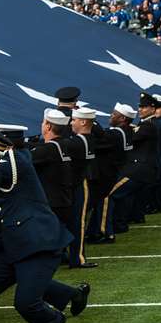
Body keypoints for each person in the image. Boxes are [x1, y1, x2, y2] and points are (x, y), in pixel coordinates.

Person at [0, 122, 89, 323]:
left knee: (26, 301)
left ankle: (51, 321)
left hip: (33, 238)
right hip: (14, 238)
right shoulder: (16, 157)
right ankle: (71, 295)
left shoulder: (13, 161)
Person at [110, 94, 159, 233]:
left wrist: (122, 130)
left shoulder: (149, 126)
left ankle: (107, 227)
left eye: (144, 107)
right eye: (140, 106)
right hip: (140, 168)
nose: (140, 109)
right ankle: (120, 224)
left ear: (153, 109)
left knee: (110, 193)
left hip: (138, 169)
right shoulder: (144, 125)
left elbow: (132, 138)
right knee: (125, 197)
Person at [88, 103, 135, 244]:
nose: (111, 115)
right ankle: (94, 230)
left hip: (115, 172)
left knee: (105, 197)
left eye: (114, 114)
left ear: (122, 119)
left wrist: (90, 120)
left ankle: (105, 232)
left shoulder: (116, 134)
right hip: (122, 171)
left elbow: (101, 136)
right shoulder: (126, 131)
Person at [65, 107, 98, 268]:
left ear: (83, 122)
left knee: (78, 221)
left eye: (74, 120)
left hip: (79, 183)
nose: (72, 123)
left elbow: (62, 145)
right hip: (75, 183)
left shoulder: (81, 141)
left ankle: (78, 257)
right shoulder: (84, 139)